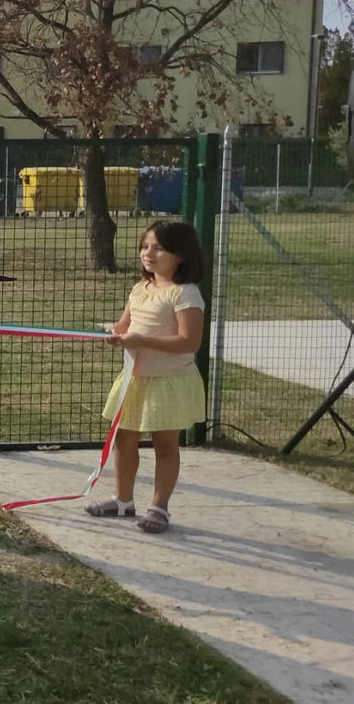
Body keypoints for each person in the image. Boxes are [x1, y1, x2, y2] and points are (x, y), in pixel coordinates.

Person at [84, 219, 206, 533]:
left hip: (168, 383)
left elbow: (188, 342)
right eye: (145, 246)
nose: (148, 254)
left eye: (159, 248)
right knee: (123, 441)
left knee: (165, 445)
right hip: (134, 379)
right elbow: (125, 326)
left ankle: (159, 508)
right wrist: (114, 333)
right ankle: (123, 501)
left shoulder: (185, 293)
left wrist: (139, 340)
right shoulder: (141, 288)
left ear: (182, 254)